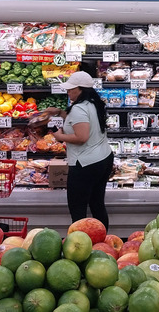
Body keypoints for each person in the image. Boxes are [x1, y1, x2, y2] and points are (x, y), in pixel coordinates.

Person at [50, 71, 114, 229]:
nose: (68, 91)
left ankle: (79, 243)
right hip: (103, 158)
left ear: (80, 90)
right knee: (97, 203)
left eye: (71, 89)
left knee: (77, 208)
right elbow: (80, 121)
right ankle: (102, 241)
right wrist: (60, 113)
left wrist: (59, 136)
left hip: (86, 163)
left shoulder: (79, 108)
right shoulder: (93, 103)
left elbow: (81, 136)